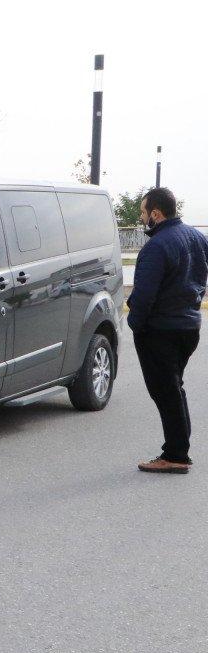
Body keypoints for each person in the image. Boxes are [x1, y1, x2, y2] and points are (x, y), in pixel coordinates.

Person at [128, 187, 208, 474]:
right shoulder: (198, 238)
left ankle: (175, 454)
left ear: (156, 214)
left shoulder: (157, 246)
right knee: (174, 388)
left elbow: (144, 295)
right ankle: (177, 449)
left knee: (166, 392)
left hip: (160, 331)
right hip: (189, 326)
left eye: (143, 212)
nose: (141, 217)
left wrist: (135, 324)